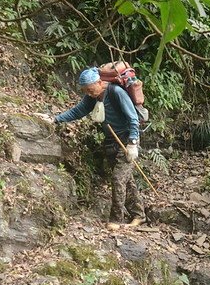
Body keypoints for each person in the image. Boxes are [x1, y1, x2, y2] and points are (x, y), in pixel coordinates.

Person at [40, 67, 145, 231]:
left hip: (127, 140)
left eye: (90, 89)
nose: (88, 93)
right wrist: (55, 119)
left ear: (99, 82)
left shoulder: (116, 92)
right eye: (85, 91)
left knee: (118, 179)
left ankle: (116, 219)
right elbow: (78, 111)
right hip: (111, 142)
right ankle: (139, 215)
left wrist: (133, 143)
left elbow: (133, 118)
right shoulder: (94, 97)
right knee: (126, 180)